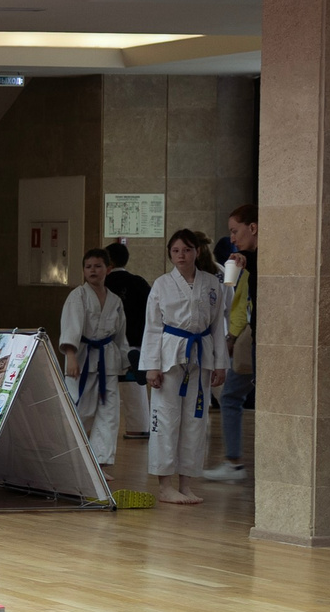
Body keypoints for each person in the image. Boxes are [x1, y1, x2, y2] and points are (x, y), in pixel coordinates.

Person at [142, 228, 229, 506]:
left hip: (200, 355)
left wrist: (220, 363)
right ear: (170, 253)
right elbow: (153, 328)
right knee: (166, 418)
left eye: (187, 250)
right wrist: (151, 367)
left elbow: (217, 327)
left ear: (197, 252)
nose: (182, 255)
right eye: (176, 250)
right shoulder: (161, 284)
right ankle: (165, 485)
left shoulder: (212, 284)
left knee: (195, 421)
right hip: (169, 356)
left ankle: (186, 484)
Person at [58, 246, 127, 470]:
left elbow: (120, 336)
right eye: (88, 267)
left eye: (98, 266)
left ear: (108, 269)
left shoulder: (115, 301)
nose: (93, 271)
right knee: (80, 411)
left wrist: (124, 361)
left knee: (109, 413)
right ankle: (69, 460)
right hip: (81, 359)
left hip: (107, 360)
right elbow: (71, 327)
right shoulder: (77, 296)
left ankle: (100, 465)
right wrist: (70, 356)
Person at [206, 206, 257, 483]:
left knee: (233, 397)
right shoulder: (245, 262)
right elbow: (241, 303)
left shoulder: (255, 261)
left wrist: (232, 337)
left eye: (235, 231)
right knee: (230, 396)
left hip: (262, 340)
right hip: (253, 337)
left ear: (254, 227)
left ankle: (236, 462)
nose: (233, 238)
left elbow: (241, 305)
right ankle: (233, 462)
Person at [102, 238, 152, 440]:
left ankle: (100, 430)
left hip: (110, 343)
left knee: (106, 389)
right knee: (134, 385)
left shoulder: (102, 285)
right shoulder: (138, 282)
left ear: (108, 264)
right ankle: (138, 427)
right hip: (137, 341)